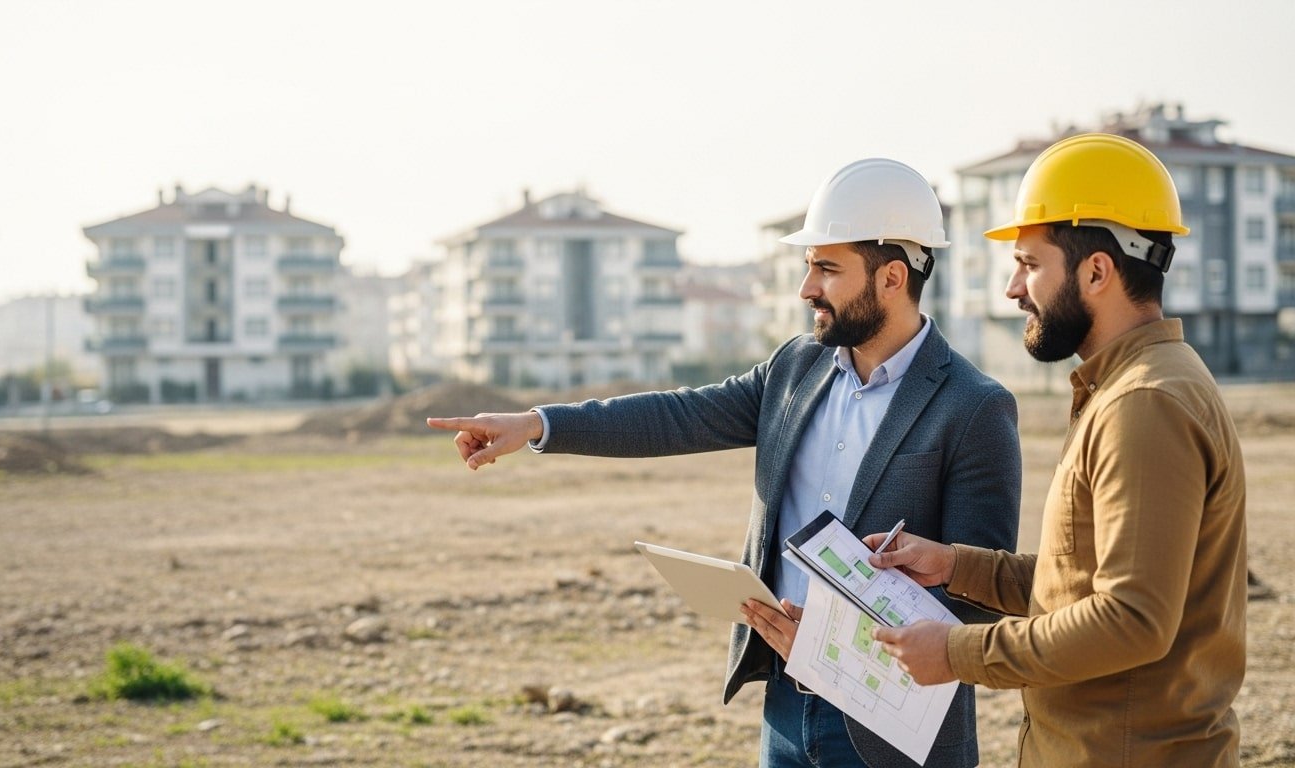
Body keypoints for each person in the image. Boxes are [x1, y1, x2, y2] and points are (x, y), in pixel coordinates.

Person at [428, 158, 1021, 768]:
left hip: (892, 735)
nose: (806, 288)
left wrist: (839, 650)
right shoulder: (796, 368)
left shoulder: (973, 407)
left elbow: (980, 597)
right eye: (808, 266)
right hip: (786, 708)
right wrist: (537, 424)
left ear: (892, 277)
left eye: (827, 268)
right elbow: (679, 415)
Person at [868, 134, 1247, 767]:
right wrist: (955, 565)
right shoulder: (1137, 385)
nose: (1014, 288)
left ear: (1096, 271)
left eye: (1029, 263)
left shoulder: (1143, 403)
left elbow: (1131, 619)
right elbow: (1083, 588)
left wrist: (958, 652)